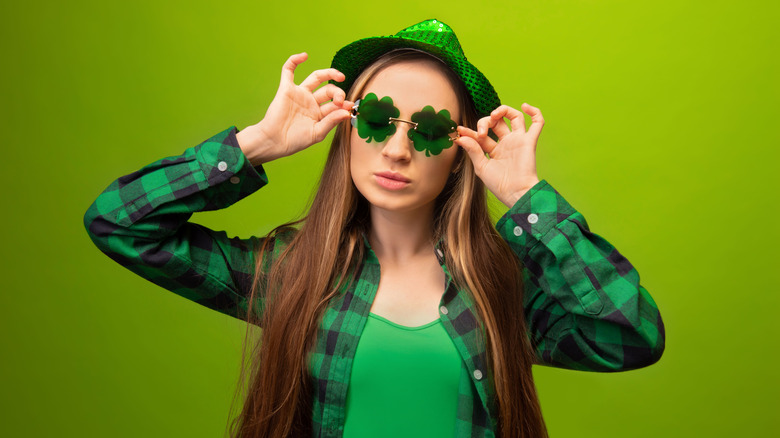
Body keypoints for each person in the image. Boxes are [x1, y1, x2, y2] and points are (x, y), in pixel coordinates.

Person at [83, 19, 665, 438]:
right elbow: (121, 223)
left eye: (431, 129)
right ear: (345, 124)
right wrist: (256, 145)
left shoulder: (501, 290)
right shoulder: (292, 275)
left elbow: (632, 335)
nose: (397, 148)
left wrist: (524, 199)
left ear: (461, 152)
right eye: (378, 118)